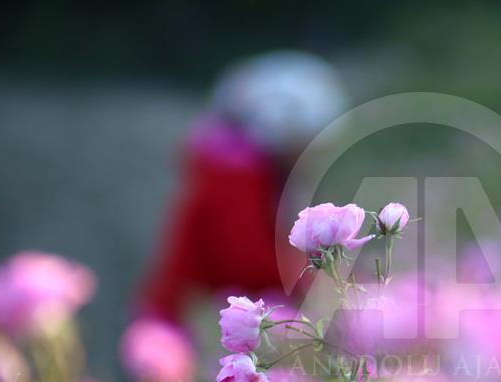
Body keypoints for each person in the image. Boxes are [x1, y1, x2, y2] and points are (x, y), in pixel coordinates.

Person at [138, 51, 349, 322]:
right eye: (308, 142)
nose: (311, 156)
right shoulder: (236, 181)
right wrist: (324, 282)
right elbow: (250, 267)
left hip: (202, 318)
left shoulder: (241, 173)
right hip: (202, 327)